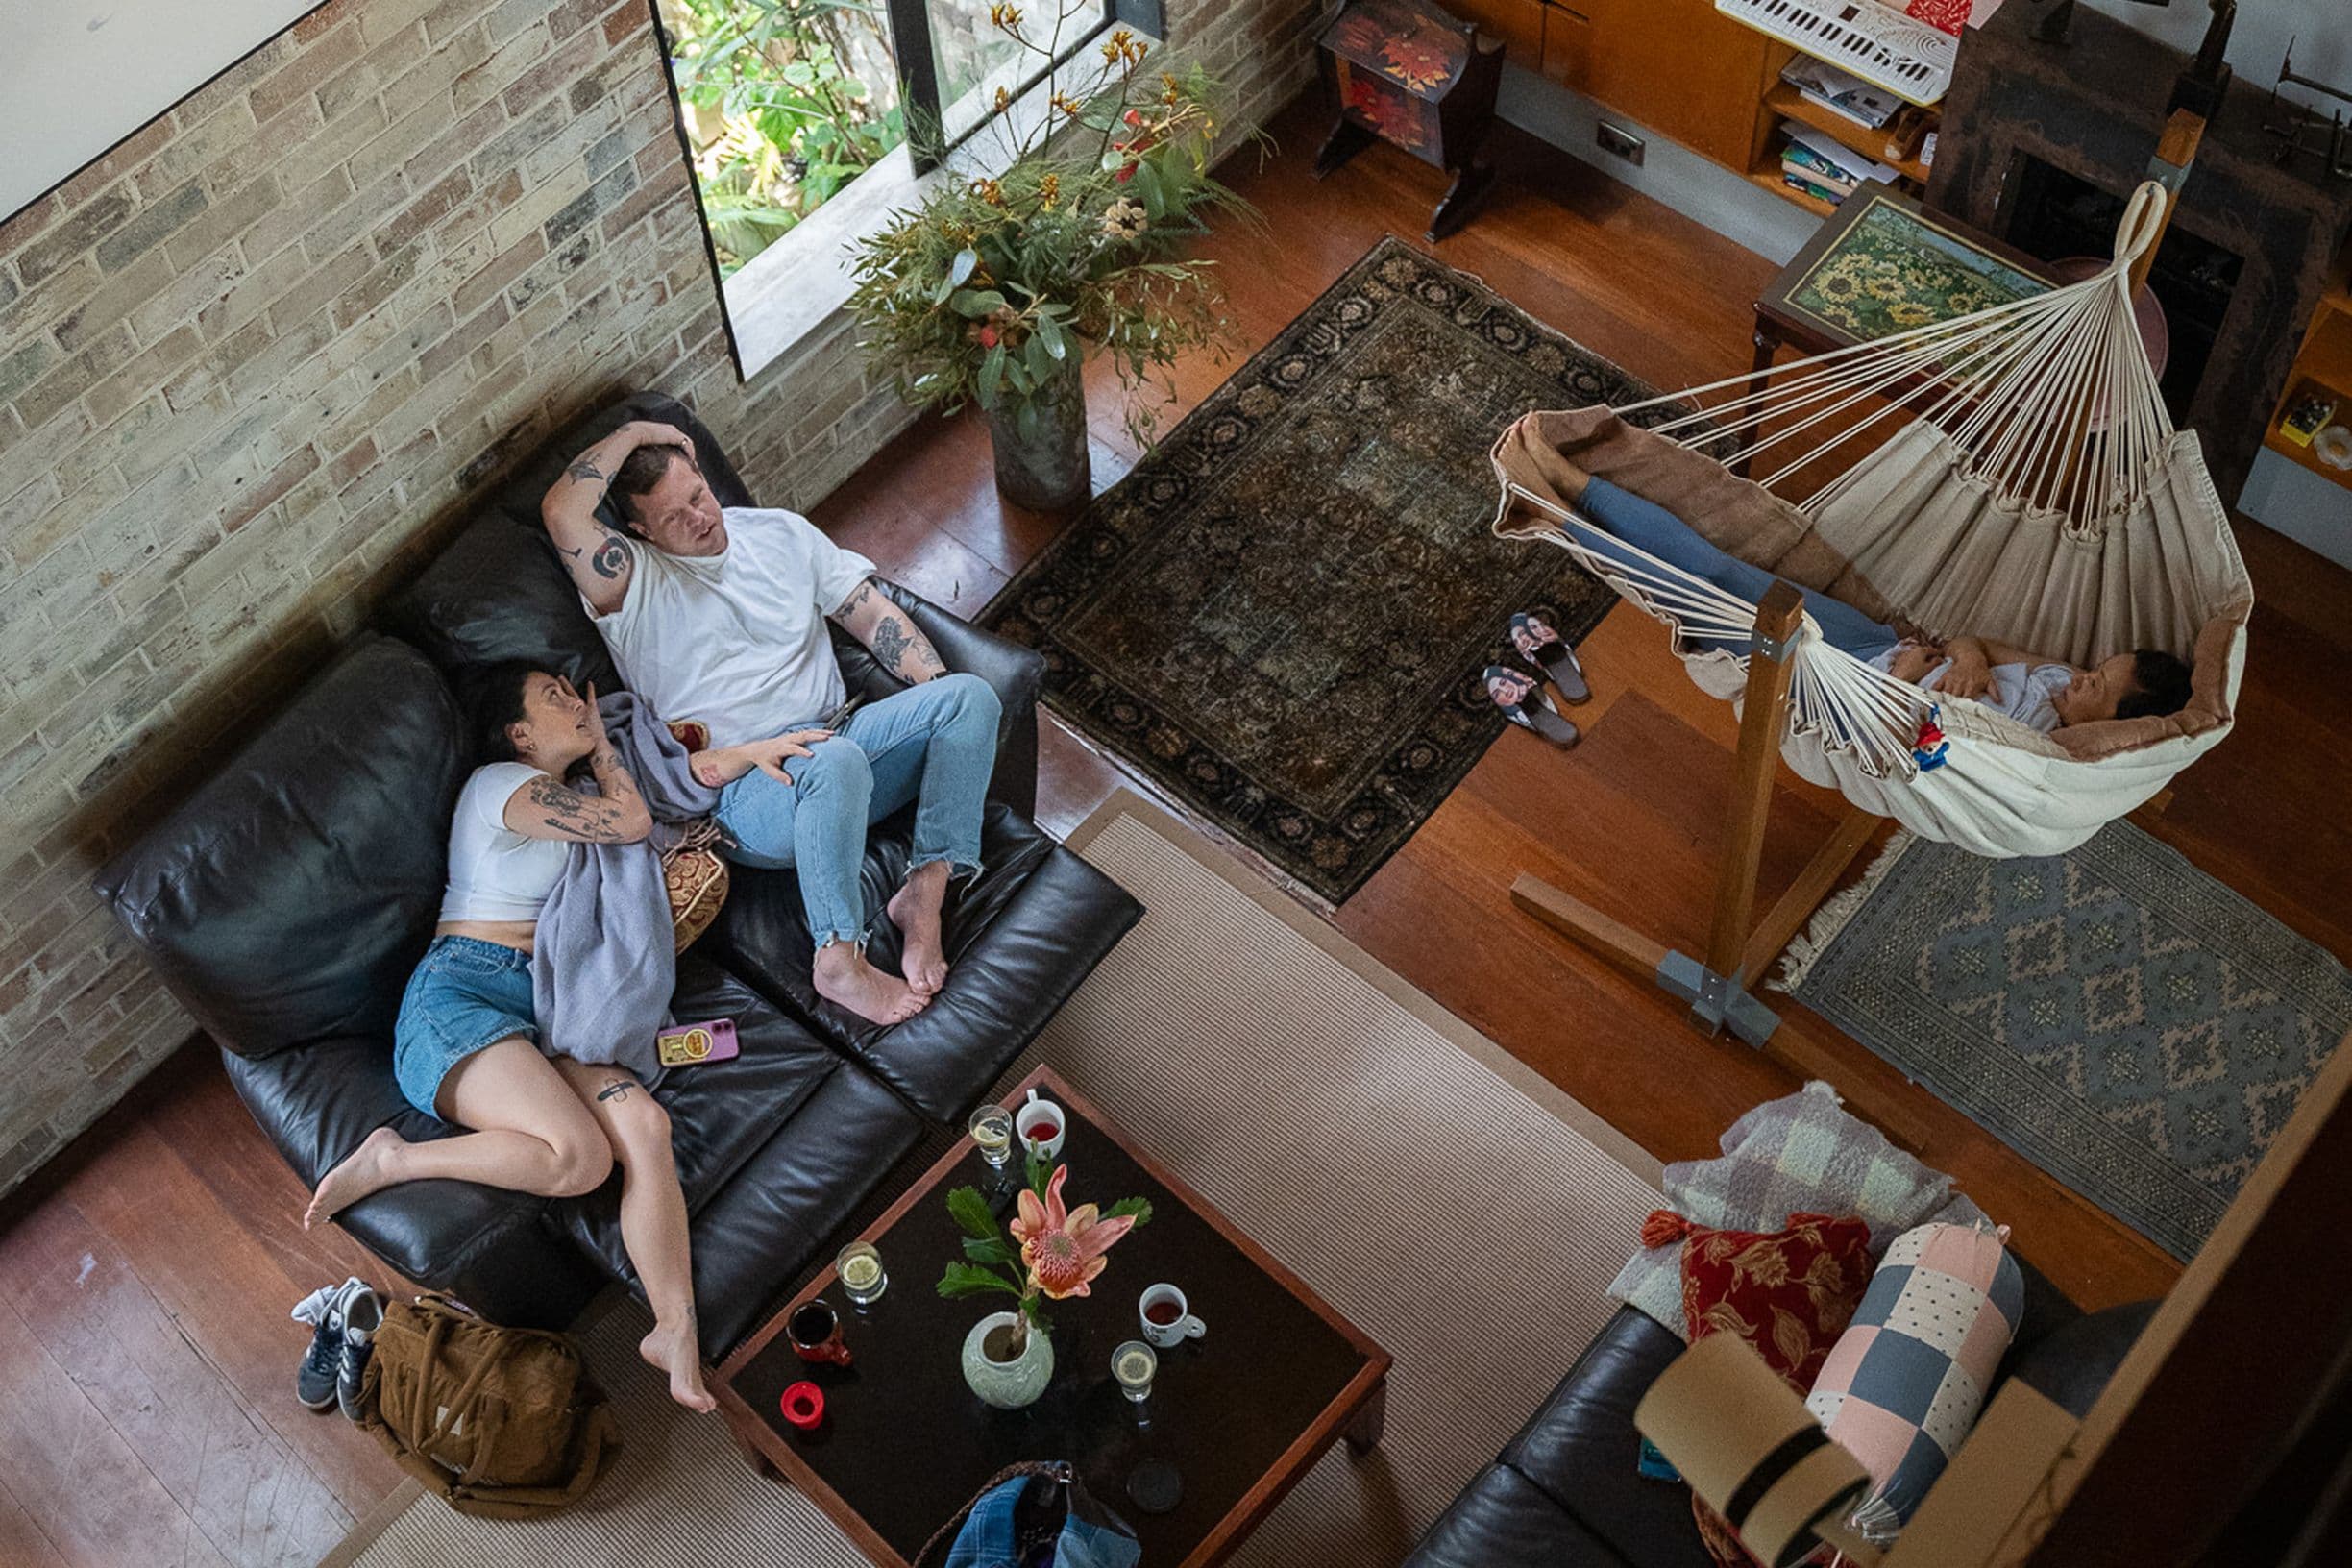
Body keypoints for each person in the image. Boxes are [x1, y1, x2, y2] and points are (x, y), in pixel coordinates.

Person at [303, 665, 715, 1413]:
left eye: (572, 688)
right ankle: (394, 1157)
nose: (573, 700)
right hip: (459, 992)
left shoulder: (572, 800)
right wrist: (604, 749)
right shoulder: (500, 784)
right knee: (579, 1157)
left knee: (646, 1126)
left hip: (544, 1004)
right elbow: (628, 824)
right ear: (520, 734)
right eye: (553, 698)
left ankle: (672, 1328)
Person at [540, 419, 1000, 1027]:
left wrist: (937, 717)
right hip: (751, 792)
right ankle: (837, 957)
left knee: (969, 698)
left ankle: (924, 894)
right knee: (828, 761)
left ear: (704, 477)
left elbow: (871, 620)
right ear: (638, 531)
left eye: (698, 496)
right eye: (675, 517)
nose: (701, 517)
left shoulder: (782, 533)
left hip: (843, 737)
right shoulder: (631, 584)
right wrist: (638, 430)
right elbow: (560, 510)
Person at [1530, 437, 2193, 734]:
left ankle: (1559, 513)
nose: (2081, 677)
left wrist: (1905, 677)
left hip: (1842, 685)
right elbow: (1978, 640)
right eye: (2097, 668)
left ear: (2110, 728)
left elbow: (1911, 748)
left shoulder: (2031, 746)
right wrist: (1964, 656)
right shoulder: (2056, 681)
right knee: (1722, 565)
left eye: (2098, 689)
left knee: (1691, 592)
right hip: (1870, 640)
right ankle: (1579, 485)